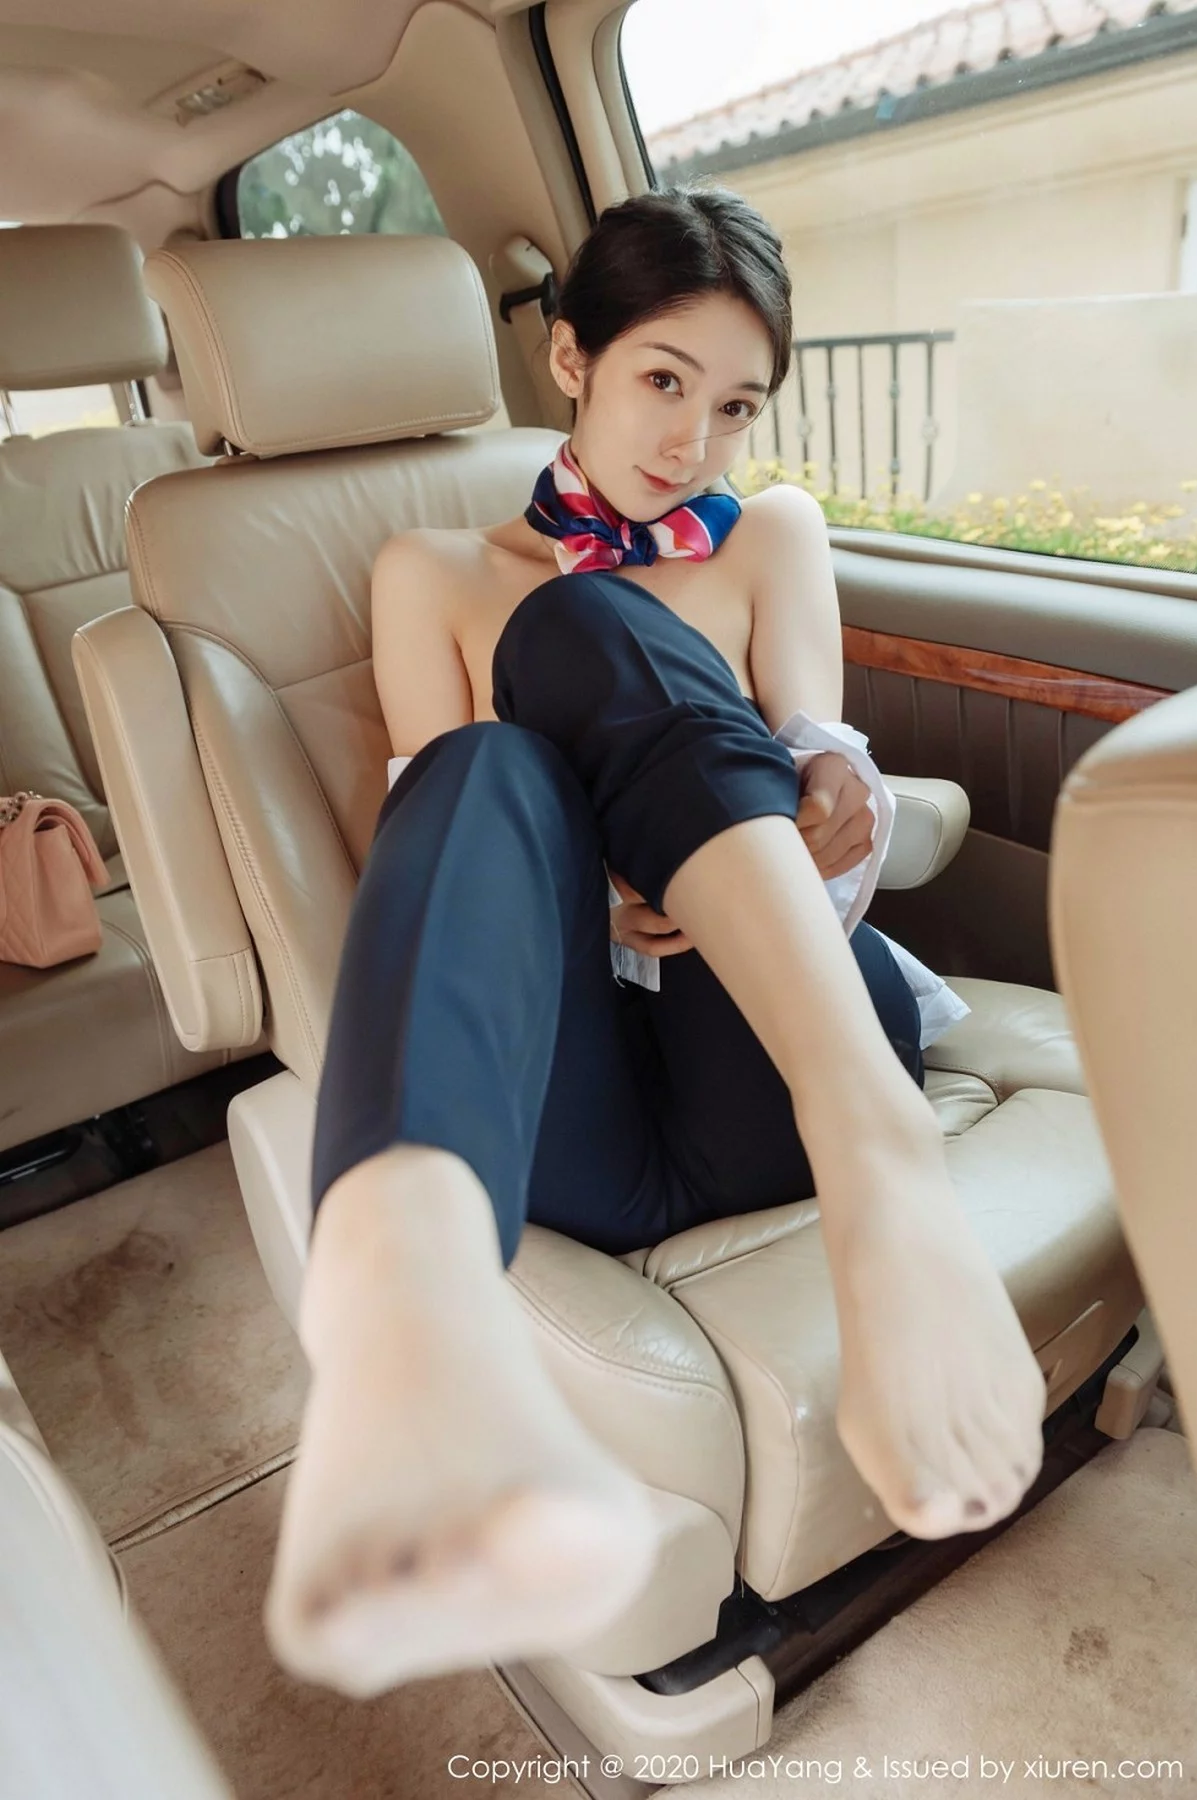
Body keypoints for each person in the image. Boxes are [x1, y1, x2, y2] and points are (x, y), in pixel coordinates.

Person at [264, 185, 1048, 1699]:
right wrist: (593, 892)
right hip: (581, 1111)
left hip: (774, 1059)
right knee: (498, 735)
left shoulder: (773, 539)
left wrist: (832, 796)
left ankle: (878, 1145)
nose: (693, 442)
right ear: (571, 358)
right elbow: (464, 866)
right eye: (663, 380)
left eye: (735, 405)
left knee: (582, 628)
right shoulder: (429, 573)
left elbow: (826, 800)